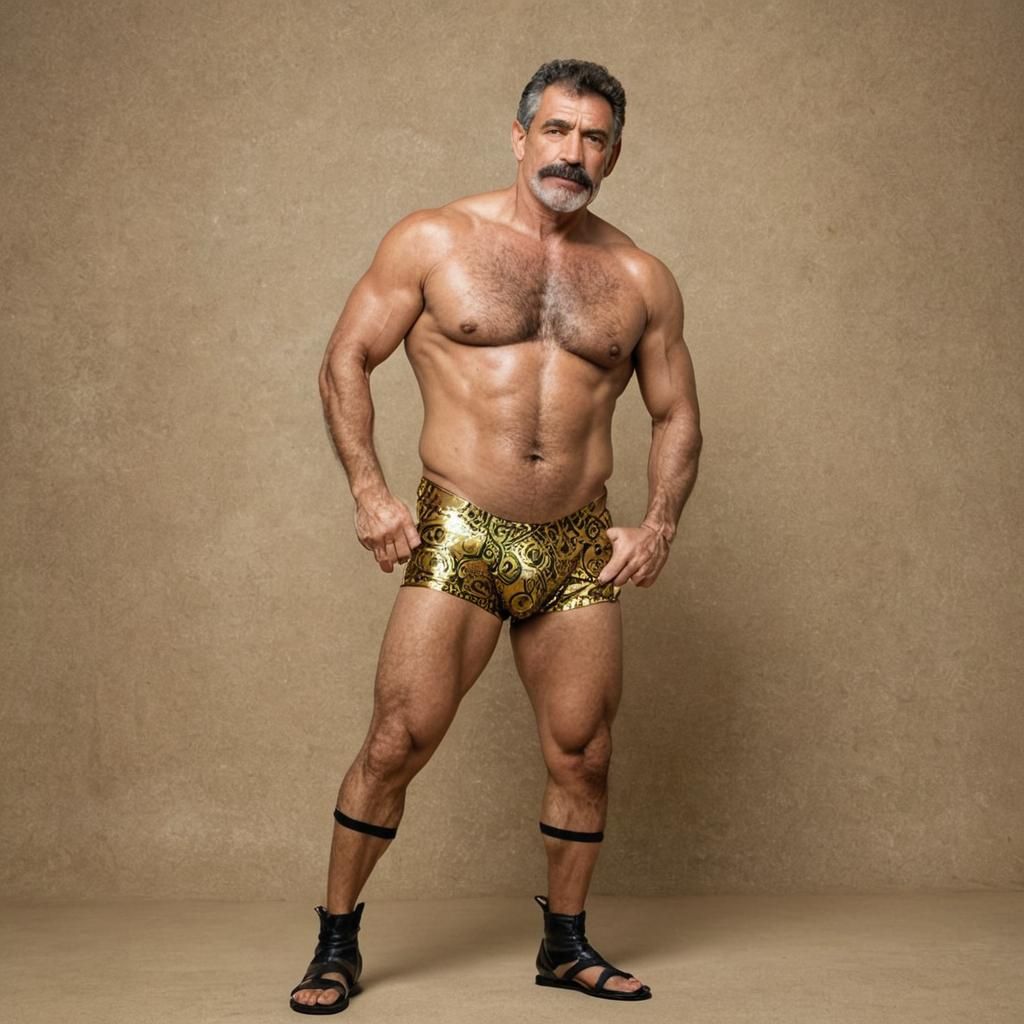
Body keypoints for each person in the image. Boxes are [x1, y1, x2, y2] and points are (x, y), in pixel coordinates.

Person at [289, 58, 702, 1015]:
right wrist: (369, 490)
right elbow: (346, 356)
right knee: (398, 740)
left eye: (595, 138)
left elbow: (677, 412)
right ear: (521, 137)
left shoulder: (639, 276)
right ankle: (336, 943)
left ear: (616, 154)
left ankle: (565, 946)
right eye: (558, 131)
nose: (575, 152)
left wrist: (661, 523)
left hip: (577, 544)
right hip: (460, 532)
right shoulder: (435, 239)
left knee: (583, 754)